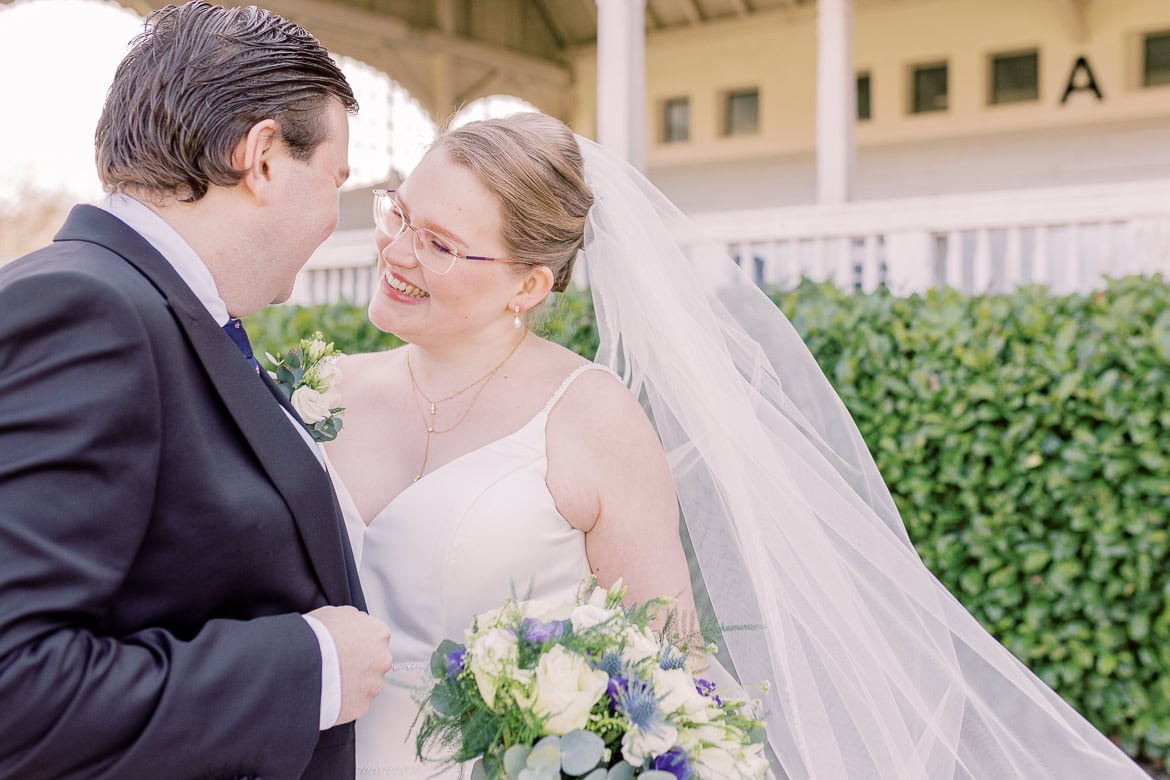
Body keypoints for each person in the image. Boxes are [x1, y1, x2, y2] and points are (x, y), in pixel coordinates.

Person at [324, 112, 1148, 778]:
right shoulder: (323, 394)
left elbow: (667, 667)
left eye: (437, 243)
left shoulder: (590, 419)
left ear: (530, 285)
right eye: (398, 214)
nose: (394, 252)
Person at [0, 3, 392, 778]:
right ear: (265, 157)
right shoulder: (89, 313)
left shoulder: (154, 308)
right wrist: (308, 668)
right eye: (336, 181)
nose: (332, 220)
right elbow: (16, 686)